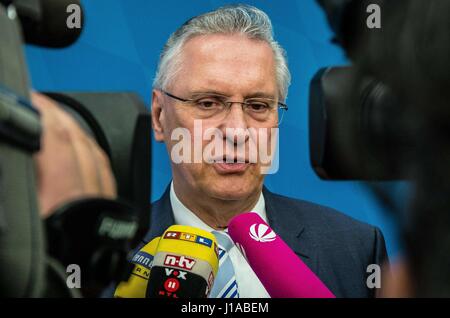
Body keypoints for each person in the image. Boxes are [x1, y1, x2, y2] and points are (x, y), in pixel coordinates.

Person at [144, 4, 387, 298]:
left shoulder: (355, 248)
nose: (236, 132)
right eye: (208, 103)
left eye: (258, 106)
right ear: (159, 116)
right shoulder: (103, 258)